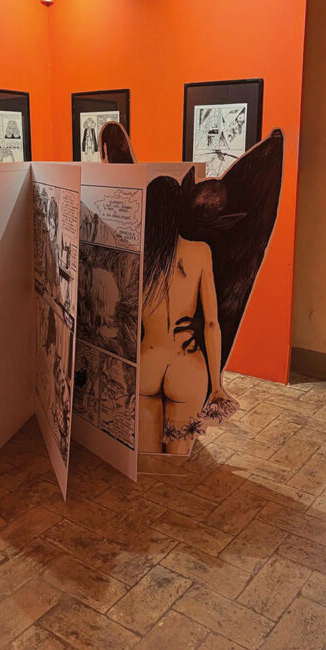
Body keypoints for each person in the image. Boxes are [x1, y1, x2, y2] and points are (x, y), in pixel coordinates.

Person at [138, 176, 228, 454]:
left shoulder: (139, 257)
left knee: (149, 459)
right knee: (176, 460)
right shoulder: (200, 252)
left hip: (147, 362)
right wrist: (217, 384)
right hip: (186, 364)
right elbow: (211, 323)